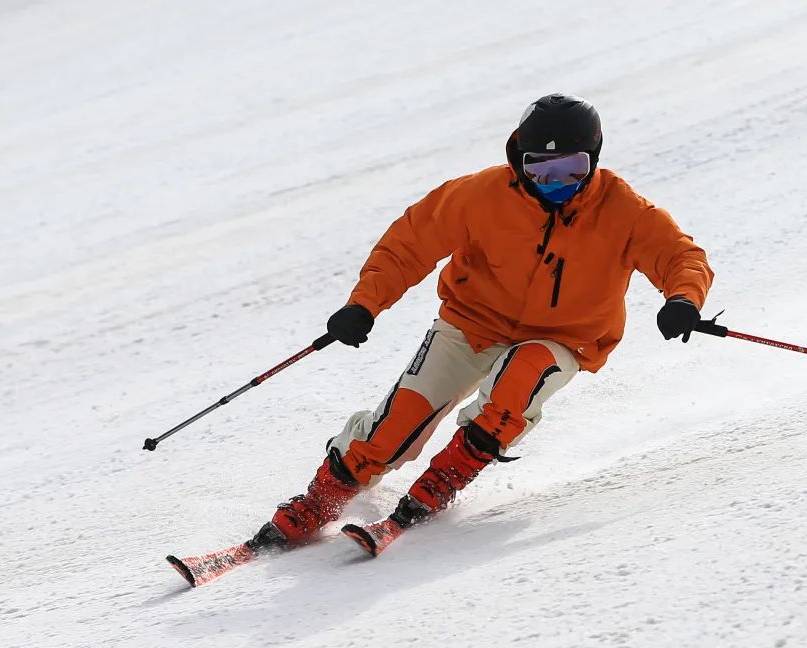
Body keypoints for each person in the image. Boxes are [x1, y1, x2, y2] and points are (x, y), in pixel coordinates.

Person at [257, 93, 714, 548]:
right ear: (519, 160)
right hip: (469, 325)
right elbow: (408, 245)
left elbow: (681, 256)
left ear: (594, 159)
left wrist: (683, 299)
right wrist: (364, 305)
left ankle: (443, 480)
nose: (556, 184)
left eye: (572, 169)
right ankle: (322, 499)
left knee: (516, 383)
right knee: (398, 424)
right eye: (540, 169)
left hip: (563, 339)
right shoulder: (481, 196)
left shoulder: (624, 210)